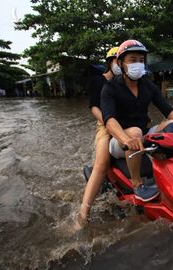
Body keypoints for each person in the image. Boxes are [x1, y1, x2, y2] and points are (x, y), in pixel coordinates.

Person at [100, 39, 173, 202]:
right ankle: (137, 183)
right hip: (120, 141)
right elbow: (109, 120)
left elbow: (168, 111)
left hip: (143, 136)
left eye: (141, 60)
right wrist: (125, 139)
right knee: (135, 132)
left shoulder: (148, 86)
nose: (137, 64)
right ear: (121, 63)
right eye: (132, 60)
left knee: (172, 126)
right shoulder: (110, 88)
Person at [74, 46, 121, 229]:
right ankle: (83, 214)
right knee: (101, 163)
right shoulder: (97, 81)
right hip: (106, 124)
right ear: (110, 62)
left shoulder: (124, 82)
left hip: (126, 124)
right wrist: (109, 123)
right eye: (118, 61)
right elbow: (94, 107)